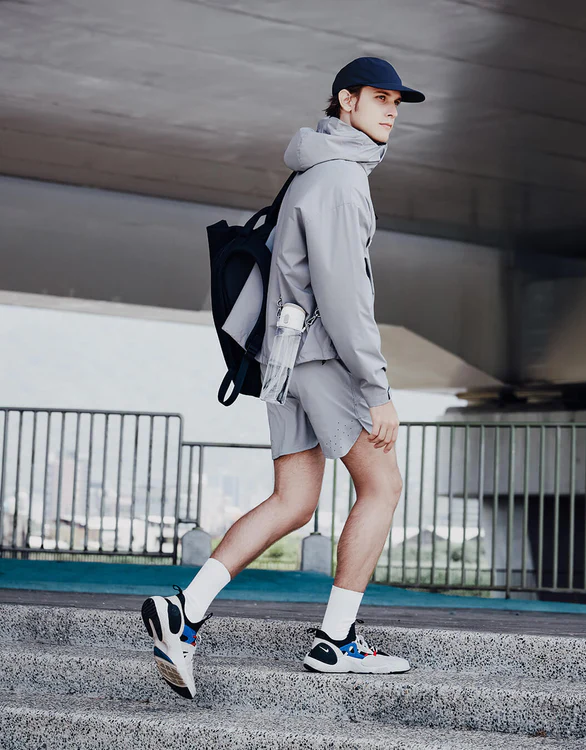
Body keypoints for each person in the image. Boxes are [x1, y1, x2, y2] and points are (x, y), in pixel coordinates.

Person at [142, 57, 425, 699]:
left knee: (294, 501)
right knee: (382, 485)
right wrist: (376, 388)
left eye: (397, 102)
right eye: (379, 98)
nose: (391, 111)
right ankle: (337, 642)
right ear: (346, 101)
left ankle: (185, 611)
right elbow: (345, 296)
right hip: (323, 359)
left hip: (284, 359)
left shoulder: (311, 169)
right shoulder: (341, 179)